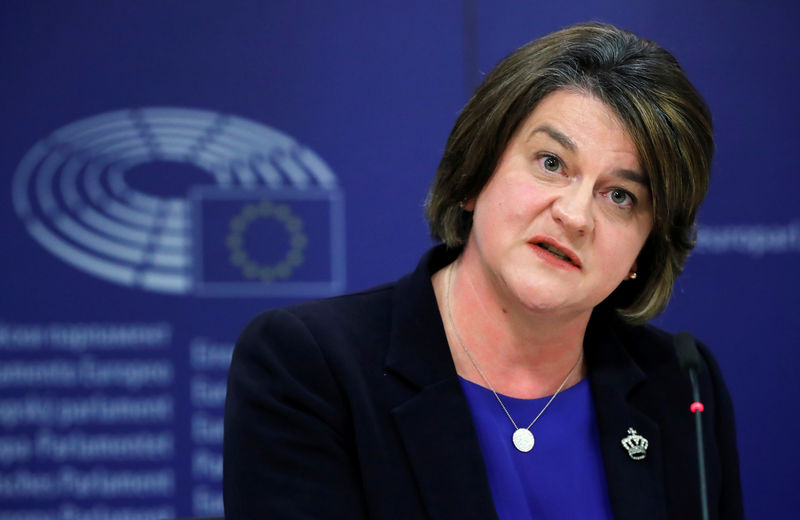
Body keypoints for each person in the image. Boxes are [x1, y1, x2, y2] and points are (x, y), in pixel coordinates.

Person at [224, 22, 744, 519]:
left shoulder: (681, 386)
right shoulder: (311, 367)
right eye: (551, 163)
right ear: (476, 174)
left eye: (621, 196)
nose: (576, 215)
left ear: (644, 252)